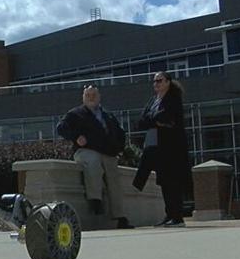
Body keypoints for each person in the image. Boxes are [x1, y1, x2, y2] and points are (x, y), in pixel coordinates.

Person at [56, 85, 133, 229]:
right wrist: (76, 137)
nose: (91, 98)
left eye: (93, 95)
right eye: (87, 95)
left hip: (108, 152)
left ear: (99, 97)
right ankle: (95, 200)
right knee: (93, 162)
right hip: (86, 150)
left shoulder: (107, 115)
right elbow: (60, 128)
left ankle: (120, 216)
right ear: (83, 98)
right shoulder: (75, 114)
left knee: (114, 181)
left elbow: (120, 133)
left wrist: (119, 149)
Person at [133, 71, 193, 227]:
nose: (156, 84)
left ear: (168, 82)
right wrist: (155, 120)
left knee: (173, 182)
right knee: (164, 182)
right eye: (154, 81)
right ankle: (169, 215)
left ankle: (177, 217)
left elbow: (166, 118)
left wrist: (154, 120)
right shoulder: (153, 100)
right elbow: (141, 121)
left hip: (172, 148)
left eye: (159, 81)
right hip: (155, 145)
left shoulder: (173, 99)